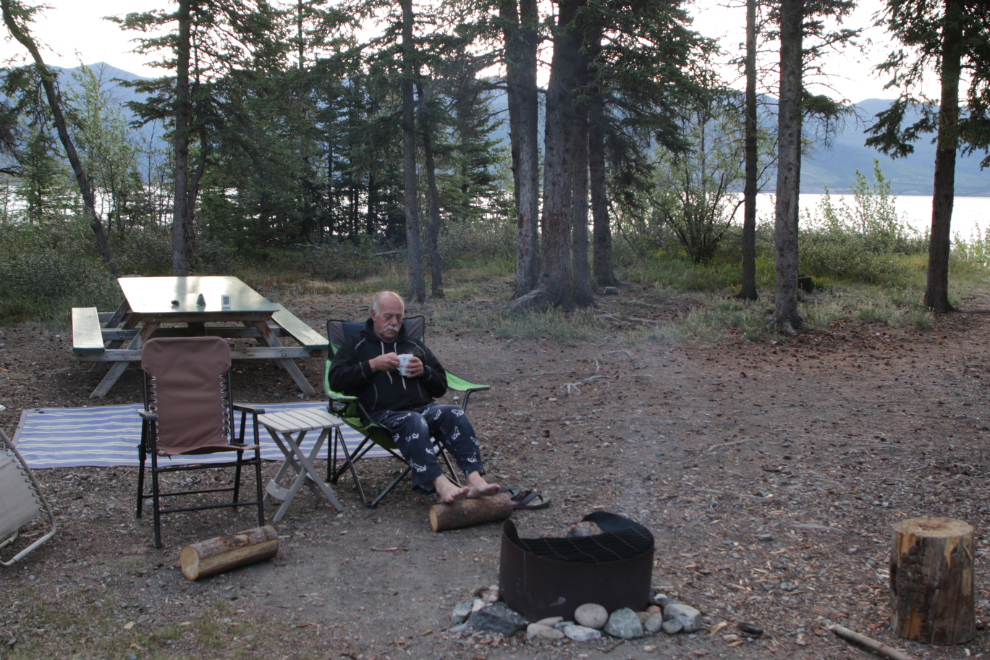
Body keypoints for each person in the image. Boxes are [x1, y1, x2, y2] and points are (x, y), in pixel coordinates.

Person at [327, 291, 500, 503]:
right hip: (381, 415)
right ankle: (441, 484)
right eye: (387, 316)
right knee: (412, 420)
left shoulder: (414, 345)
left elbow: (441, 387)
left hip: (424, 409)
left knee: (453, 412)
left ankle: (474, 479)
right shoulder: (356, 344)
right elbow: (335, 380)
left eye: (399, 317)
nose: (394, 322)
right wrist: (372, 365)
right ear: (373, 314)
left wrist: (425, 372)